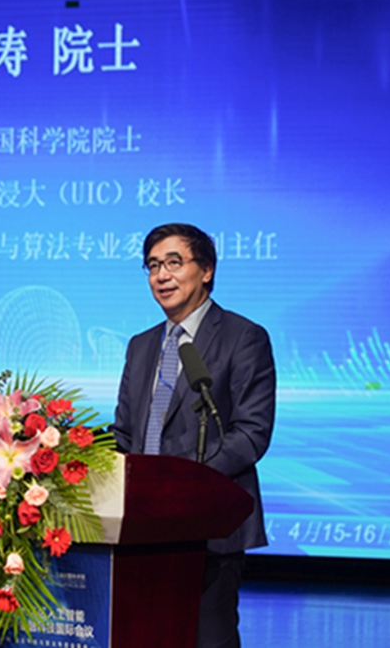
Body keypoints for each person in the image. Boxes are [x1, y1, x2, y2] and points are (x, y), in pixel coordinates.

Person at [112, 223, 276, 648]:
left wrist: (184, 488)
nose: (161, 275)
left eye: (173, 262)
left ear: (206, 270)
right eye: (152, 266)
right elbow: (125, 434)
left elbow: (251, 433)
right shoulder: (140, 346)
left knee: (207, 639)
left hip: (209, 525)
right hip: (142, 529)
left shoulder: (243, 337)